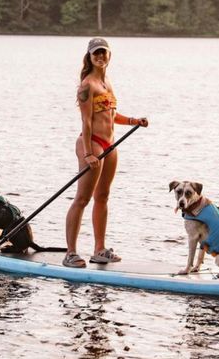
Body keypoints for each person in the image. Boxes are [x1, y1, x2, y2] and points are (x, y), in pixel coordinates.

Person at [63, 37, 148, 268]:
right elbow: (87, 121)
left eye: (103, 53)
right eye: (95, 54)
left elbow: (111, 115)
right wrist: (89, 153)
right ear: (89, 57)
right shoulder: (87, 85)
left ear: (109, 55)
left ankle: (99, 250)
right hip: (91, 143)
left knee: (103, 197)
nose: (100, 57)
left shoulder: (107, 82)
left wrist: (133, 120)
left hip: (110, 145)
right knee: (82, 198)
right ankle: (70, 253)